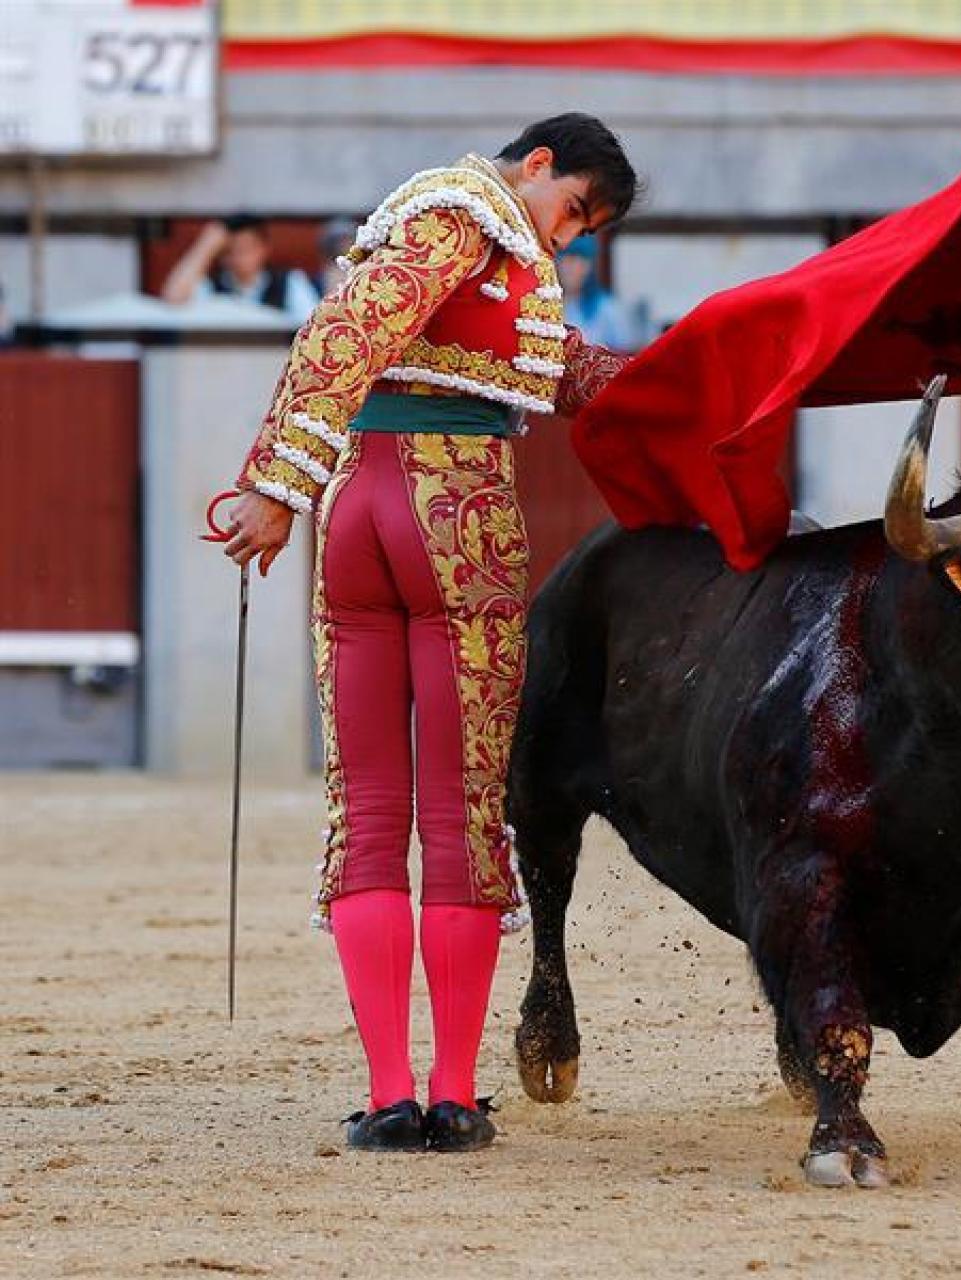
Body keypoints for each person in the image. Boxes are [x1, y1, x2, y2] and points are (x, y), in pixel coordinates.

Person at [218, 113, 638, 1154]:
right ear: (537, 164)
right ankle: (448, 1095)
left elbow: (544, 364)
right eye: (572, 210)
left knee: (368, 810)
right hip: (456, 513)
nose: (566, 237)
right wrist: (270, 486)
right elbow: (344, 333)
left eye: (583, 230)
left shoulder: (461, 237)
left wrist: (671, 374)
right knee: (461, 809)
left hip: (357, 513)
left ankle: (386, 1097)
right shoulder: (468, 218)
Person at [160, 214, 320, 325]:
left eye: (246, 249)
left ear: (263, 249)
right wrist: (206, 245)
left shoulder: (290, 282)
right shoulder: (211, 286)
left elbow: (313, 328)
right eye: (231, 251)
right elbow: (173, 301)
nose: (239, 258)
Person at [555, 235, 639, 351]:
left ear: (590, 267)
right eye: (566, 260)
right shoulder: (548, 306)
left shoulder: (608, 309)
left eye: (580, 262)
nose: (572, 269)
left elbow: (624, 352)